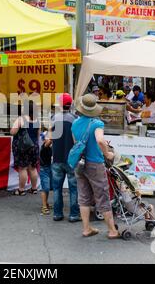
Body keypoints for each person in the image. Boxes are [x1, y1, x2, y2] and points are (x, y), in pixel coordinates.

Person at [72, 94, 120, 239]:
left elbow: (77, 143)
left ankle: (86, 228)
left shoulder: (75, 123)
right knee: (102, 195)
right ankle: (112, 230)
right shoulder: (97, 123)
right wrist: (107, 154)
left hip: (80, 163)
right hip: (95, 163)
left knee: (84, 196)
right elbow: (100, 140)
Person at [49, 93, 80, 222]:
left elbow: (49, 137)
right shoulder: (75, 119)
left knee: (57, 188)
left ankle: (57, 213)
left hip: (56, 157)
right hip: (71, 159)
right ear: (70, 104)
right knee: (73, 188)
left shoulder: (53, 118)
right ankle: (73, 214)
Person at [10, 100, 40, 196]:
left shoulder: (21, 119)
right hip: (34, 146)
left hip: (22, 147)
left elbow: (13, 132)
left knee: (22, 168)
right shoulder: (37, 120)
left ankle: (21, 189)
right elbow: (38, 135)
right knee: (32, 168)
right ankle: (34, 188)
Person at [39, 132, 53, 215]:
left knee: (47, 187)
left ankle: (46, 203)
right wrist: (53, 131)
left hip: (49, 168)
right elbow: (50, 141)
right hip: (44, 169)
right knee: (45, 188)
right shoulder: (44, 147)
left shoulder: (49, 147)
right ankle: (44, 207)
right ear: (44, 140)